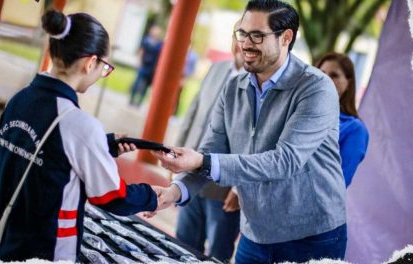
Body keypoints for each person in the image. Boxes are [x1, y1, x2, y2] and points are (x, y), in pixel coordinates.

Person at [149, 0, 348, 263]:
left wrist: (202, 161)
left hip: (311, 234)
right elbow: (212, 150)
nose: (245, 43)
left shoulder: (316, 88)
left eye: (257, 35)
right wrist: (175, 192)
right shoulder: (233, 88)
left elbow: (285, 161)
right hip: (255, 231)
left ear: (285, 38)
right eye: (242, 33)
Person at [0, 10, 157, 262]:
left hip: (2, 238)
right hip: (47, 250)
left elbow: (43, 155)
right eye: (105, 67)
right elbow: (112, 197)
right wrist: (153, 196)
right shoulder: (79, 125)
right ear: (90, 63)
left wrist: (102, 146)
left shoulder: (18, 100)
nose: (102, 73)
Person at [174, 20, 244, 262]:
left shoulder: (260, 84)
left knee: (218, 254)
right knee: (182, 245)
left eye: (249, 37)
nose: (241, 42)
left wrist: (238, 189)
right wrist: (175, 160)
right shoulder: (217, 68)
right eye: (238, 35)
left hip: (224, 188)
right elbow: (192, 115)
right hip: (190, 176)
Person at [316, 52, 369, 187]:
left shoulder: (355, 129)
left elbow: (338, 182)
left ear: (348, 83)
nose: (325, 79)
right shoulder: (299, 112)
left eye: (334, 75)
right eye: (322, 73)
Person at [129, 24, 163, 107]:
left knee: (146, 86)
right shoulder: (146, 40)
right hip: (144, 65)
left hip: (152, 67)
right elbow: (141, 51)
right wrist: (139, 62)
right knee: (137, 82)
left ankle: (139, 102)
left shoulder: (160, 44)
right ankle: (131, 99)